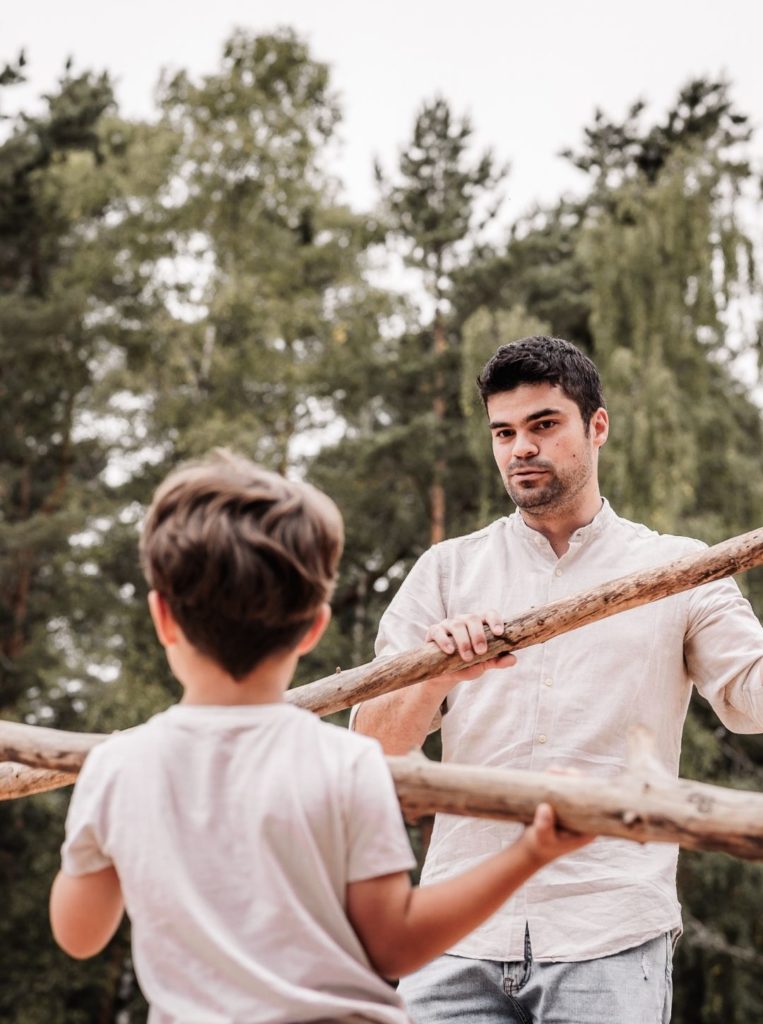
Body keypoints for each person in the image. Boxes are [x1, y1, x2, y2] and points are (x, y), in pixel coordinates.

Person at [49, 449, 589, 1024]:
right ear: (313, 627)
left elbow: (80, 935)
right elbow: (393, 946)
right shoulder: (349, 764)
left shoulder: (118, 766)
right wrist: (531, 852)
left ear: (162, 617)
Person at [353, 336, 763, 1024]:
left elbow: (751, 700)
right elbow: (371, 752)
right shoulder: (446, 572)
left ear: (596, 427)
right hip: (455, 937)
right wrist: (433, 676)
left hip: (609, 932)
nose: (521, 448)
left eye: (543, 425)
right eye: (504, 432)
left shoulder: (680, 569)